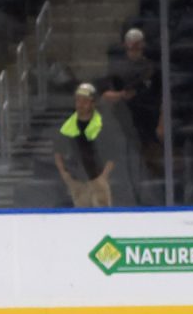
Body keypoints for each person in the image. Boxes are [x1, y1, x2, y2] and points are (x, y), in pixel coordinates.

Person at [103, 27, 161, 174]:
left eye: (137, 43)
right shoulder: (116, 68)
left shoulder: (151, 68)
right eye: (131, 43)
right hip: (123, 117)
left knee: (147, 157)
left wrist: (161, 121)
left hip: (146, 117)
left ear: (142, 45)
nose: (134, 46)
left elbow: (158, 94)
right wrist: (119, 95)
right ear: (125, 44)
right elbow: (108, 94)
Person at [52, 83, 114, 208]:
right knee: (81, 219)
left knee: (103, 218)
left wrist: (103, 177)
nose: (81, 104)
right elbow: (57, 151)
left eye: (85, 100)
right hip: (77, 182)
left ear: (93, 103)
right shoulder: (68, 126)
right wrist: (65, 174)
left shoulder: (102, 125)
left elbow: (113, 154)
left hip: (97, 179)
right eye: (78, 100)